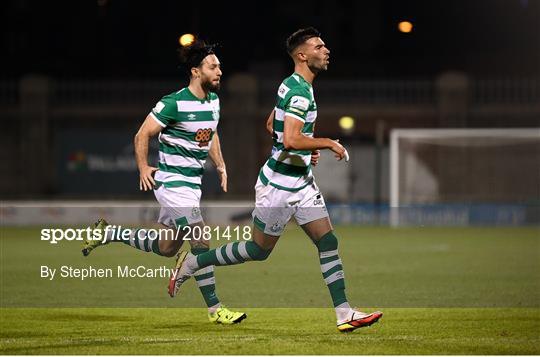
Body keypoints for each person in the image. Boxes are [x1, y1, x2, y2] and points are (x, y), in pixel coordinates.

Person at [169, 28, 382, 332]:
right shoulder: (298, 92)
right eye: (319, 47)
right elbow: (292, 138)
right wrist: (326, 143)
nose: (326, 50)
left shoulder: (293, 85)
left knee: (328, 240)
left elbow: (273, 124)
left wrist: (302, 149)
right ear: (302, 55)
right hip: (278, 187)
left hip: (302, 182)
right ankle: (193, 262)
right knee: (258, 251)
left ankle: (344, 313)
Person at [81, 39, 246, 325]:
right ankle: (215, 310)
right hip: (172, 185)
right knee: (201, 240)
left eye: (219, 66)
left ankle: (108, 233)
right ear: (196, 71)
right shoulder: (173, 103)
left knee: (166, 248)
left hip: (191, 188)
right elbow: (141, 134)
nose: (219, 71)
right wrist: (143, 167)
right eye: (213, 66)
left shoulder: (214, 102)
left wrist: (219, 164)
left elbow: (212, 133)